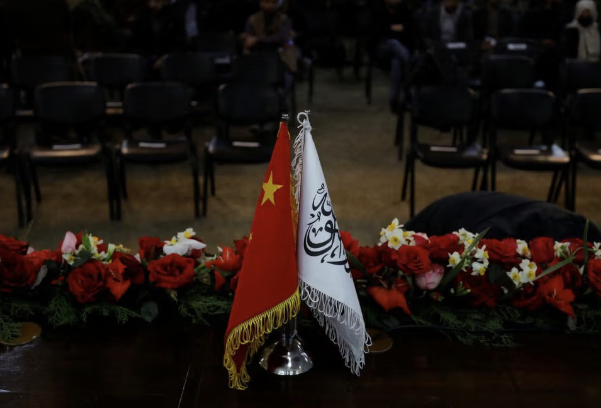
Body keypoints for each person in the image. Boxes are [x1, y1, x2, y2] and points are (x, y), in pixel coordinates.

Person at [372, 0, 414, 112]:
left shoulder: (405, 10)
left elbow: (411, 29)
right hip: (383, 48)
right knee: (393, 43)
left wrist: (401, 28)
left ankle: (394, 100)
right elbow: (376, 32)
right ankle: (409, 94)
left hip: (401, 48)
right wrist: (394, 29)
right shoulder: (378, 10)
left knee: (397, 62)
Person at [242, 0, 297, 73]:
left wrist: (257, 39)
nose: (269, 5)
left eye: (273, 2)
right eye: (266, 2)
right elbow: (249, 39)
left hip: (280, 50)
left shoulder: (284, 19)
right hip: (258, 50)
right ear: (261, 3)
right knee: (247, 47)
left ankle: (292, 72)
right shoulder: (252, 19)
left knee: (289, 43)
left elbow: (282, 38)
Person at [131, 0, 187, 67]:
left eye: (157, 1)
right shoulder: (142, 15)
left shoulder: (174, 16)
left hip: (169, 62)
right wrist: (142, 60)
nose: (153, 5)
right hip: (145, 61)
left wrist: (165, 59)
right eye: (150, 1)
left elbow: (180, 44)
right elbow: (136, 42)